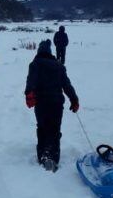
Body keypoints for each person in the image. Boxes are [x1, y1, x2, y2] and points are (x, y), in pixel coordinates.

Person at [24, 39, 80, 172]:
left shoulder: (35, 64)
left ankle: (43, 155)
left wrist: (29, 94)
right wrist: (74, 99)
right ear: (50, 52)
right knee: (54, 129)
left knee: (42, 128)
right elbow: (66, 85)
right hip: (56, 103)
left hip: (41, 103)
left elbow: (30, 81)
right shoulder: (58, 65)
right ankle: (52, 157)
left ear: (39, 51)